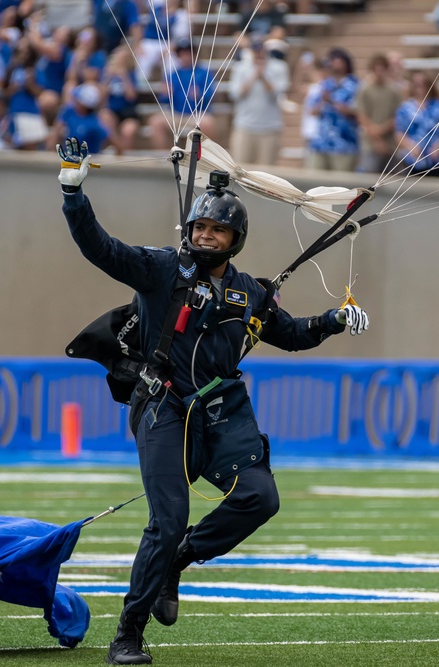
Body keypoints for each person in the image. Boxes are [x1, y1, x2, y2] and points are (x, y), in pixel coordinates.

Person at [54, 135, 370, 666]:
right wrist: (73, 192)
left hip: (222, 413)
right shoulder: (160, 270)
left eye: (216, 229)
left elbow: (290, 334)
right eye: (199, 227)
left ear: (235, 238)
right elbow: (100, 248)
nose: (205, 235)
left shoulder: (251, 292)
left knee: (260, 498)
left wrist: (333, 321)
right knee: (169, 515)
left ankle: (177, 561)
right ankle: (128, 633)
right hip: (162, 407)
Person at [229, 37, 290, 166]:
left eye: (261, 50)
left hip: (270, 128)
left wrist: (263, 77)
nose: (258, 53)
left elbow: (278, 94)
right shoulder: (240, 67)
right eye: (255, 50)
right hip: (244, 126)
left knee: (268, 172)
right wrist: (254, 76)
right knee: (240, 168)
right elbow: (235, 94)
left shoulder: (279, 67)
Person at [148, 40, 216, 150]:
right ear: (179, 55)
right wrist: (165, 93)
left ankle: (203, 156)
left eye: (189, 53)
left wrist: (200, 95)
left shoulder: (204, 72)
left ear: (194, 54)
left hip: (196, 115)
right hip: (176, 114)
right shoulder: (172, 74)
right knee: (156, 122)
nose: (186, 56)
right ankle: (163, 156)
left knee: (207, 123)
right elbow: (164, 100)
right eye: (183, 53)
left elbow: (211, 95)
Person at [305, 48, 359, 172]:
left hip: (343, 143)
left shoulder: (355, 85)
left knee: (340, 185)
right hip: (321, 142)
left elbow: (357, 112)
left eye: (336, 60)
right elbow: (313, 111)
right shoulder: (325, 84)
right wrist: (322, 102)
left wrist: (332, 101)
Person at [394, 71, 439, 177]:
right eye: (417, 85)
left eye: (423, 84)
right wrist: (411, 147)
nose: (420, 88)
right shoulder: (405, 108)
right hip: (413, 161)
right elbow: (399, 134)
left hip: (437, 161)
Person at [355, 53, 400, 174]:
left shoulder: (393, 90)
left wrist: (382, 129)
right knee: (369, 178)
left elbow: (397, 116)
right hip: (370, 144)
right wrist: (377, 139)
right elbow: (362, 116)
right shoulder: (365, 90)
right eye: (376, 69)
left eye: (382, 69)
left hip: (390, 144)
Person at [99, 46, 140, 155]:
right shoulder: (107, 74)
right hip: (112, 111)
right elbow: (101, 98)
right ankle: (120, 150)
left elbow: (131, 97)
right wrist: (107, 79)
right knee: (104, 117)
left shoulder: (131, 74)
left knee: (129, 130)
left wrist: (124, 76)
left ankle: (124, 157)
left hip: (128, 112)